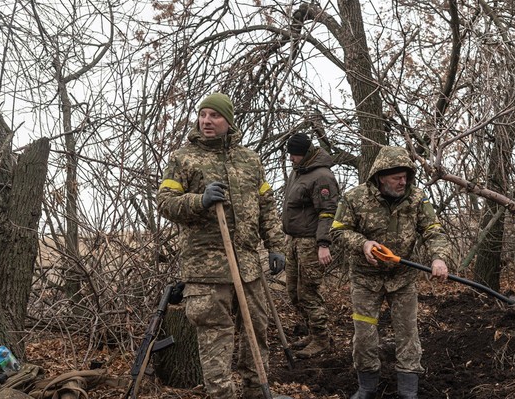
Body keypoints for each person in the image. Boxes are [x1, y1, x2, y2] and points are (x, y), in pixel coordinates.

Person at [156, 93, 287, 399]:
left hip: (248, 267)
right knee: (216, 341)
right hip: (206, 270)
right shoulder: (183, 158)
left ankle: (258, 393)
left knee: (256, 334)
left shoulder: (249, 160)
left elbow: (266, 205)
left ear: (228, 121)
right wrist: (199, 200)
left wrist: (276, 245)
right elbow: (165, 203)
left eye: (214, 115)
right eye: (203, 115)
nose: (207, 121)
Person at [330, 146, 452, 399]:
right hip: (365, 280)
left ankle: (408, 391)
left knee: (407, 334)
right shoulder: (355, 198)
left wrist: (439, 258)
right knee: (364, 335)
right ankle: (367, 387)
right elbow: (338, 231)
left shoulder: (417, 199)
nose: (403, 182)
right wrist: (362, 243)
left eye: (406, 176)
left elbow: (433, 230)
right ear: (381, 176)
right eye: (397, 177)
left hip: (403, 279)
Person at [281, 132, 340, 358]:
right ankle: (313, 333)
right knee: (294, 293)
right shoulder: (299, 172)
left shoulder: (322, 176)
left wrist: (323, 243)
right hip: (295, 240)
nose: (291, 159)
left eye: (294, 155)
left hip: (311, 242)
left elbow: (328, 212)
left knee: (309, 293)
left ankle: (322, 339)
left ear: (304, 153)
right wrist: (289, 233)